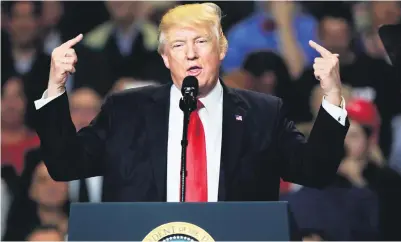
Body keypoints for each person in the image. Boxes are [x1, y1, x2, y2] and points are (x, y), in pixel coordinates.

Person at [32, 3, 349, 202]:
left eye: (201, 42)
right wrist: (56, 86)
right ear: (165, 57)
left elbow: (315, 172)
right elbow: (65, 165)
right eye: (179, 45)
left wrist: (333, 96)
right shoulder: (125, 111)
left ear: (222, 49)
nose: (191, 53)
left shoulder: (264, 114)